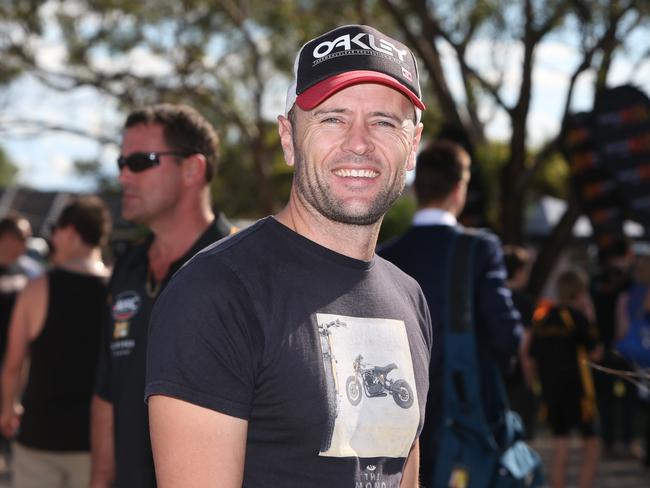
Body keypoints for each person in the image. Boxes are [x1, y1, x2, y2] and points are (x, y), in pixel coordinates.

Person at [145, 24, 431, 487]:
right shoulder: (216, 292)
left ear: (412, 144)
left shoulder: (410, 297)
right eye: (332, 118)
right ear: (288, 138)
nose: (358, 142)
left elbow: (404, 472)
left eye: (383, 121)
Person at [91, 104, 235, 488]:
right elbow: (108, 393)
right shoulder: (127, 269)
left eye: (140, 161)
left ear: (192, 169)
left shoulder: (243, 270)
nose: (123, 176)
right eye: (122, 162)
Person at [378, 140, 522, 485]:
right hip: (465, 411)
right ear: (460, 189)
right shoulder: (479, 249)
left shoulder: (385, 255)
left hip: (397, 418)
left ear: (415, 189)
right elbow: (507, 335)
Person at [0, 196, 111, 488]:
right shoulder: (119, 291)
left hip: (40, 437)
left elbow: (13, 363)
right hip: (95, 442)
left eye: (56, 231)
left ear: (72, 233)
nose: (52, 239)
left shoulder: (37, 288)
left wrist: (8, 409)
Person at [529, 268, 602, 488]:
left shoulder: (543, 318)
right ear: (580, 292)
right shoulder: (577, 317)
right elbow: (595, 352)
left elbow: (533, 355)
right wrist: (591, 319)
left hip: (552, 390)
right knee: (592, 442)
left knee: (560, 442)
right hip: (578, 392)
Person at [590, 238, 636, 459]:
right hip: (628, 345)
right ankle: (626, 442)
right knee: (629, 395)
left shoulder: (596, 281)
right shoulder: (632, 281)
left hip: (601, 345)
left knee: (605, 397)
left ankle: (607, 442)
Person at [503, 245, 538, 438]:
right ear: (518, 271)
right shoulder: (523, 302)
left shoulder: (488, 296)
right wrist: (530, 383)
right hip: (516, 376)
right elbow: (523, 346)